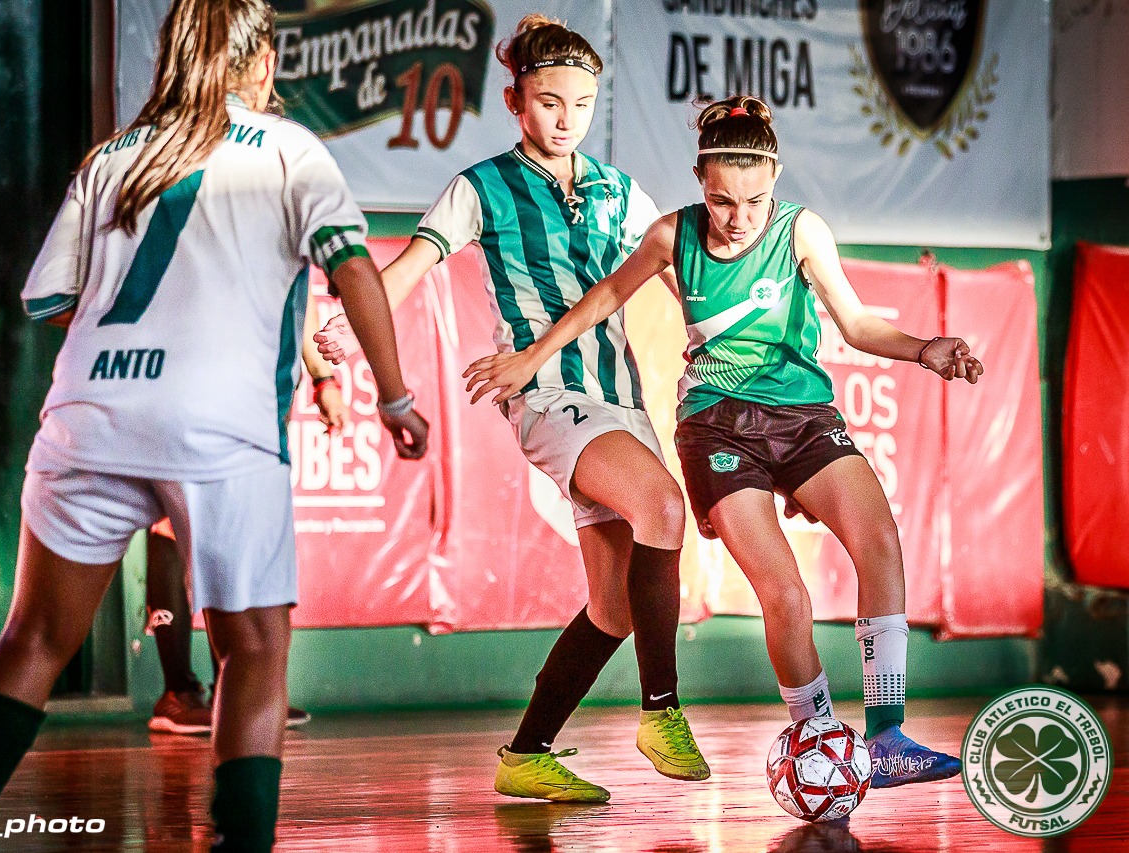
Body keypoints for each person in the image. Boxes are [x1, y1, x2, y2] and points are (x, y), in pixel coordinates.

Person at [0, 1, 428, 851]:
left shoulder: (113, 157)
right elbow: (352, 267)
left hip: (89, 413)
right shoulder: (290, 149)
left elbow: (50, 301)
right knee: (255, 646)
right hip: (216, 424)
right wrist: (396, 393)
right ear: (261, 61)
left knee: (36, 634)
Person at [462, 94, 982, 790]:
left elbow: (856, 325)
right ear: (701, 180)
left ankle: (886, 737)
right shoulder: (672, 235)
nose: (737, 218)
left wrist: (927, 350)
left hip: (802, 416)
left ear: (776, 180)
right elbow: (599, 301)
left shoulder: (801, 232)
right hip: (716, 424)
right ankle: (821, 735)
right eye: (721, 200)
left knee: (880, 541)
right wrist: (530, 358)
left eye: (753, 201)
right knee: (786, 591)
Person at [316, 14, 708, 804]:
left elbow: (681, 279)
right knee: (665, 507)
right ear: (514, 101)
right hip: (546, 395)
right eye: (550, 101)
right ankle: (661, 710)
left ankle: (526, 753)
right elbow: (411, 266)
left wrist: (730, 340)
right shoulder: (482, 186)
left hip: (618, 400)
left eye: (583, 103)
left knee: (612, 606)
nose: (567, 119)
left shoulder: (618, 189)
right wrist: (353, 327)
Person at [146, 313, 347, 735]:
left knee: (239, 525)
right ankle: (177, 692)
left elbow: (299, 297)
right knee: (172, 524)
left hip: (262, 389)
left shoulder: (287, 252)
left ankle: (233, 687)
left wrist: (322, 378)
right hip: (194, 378)